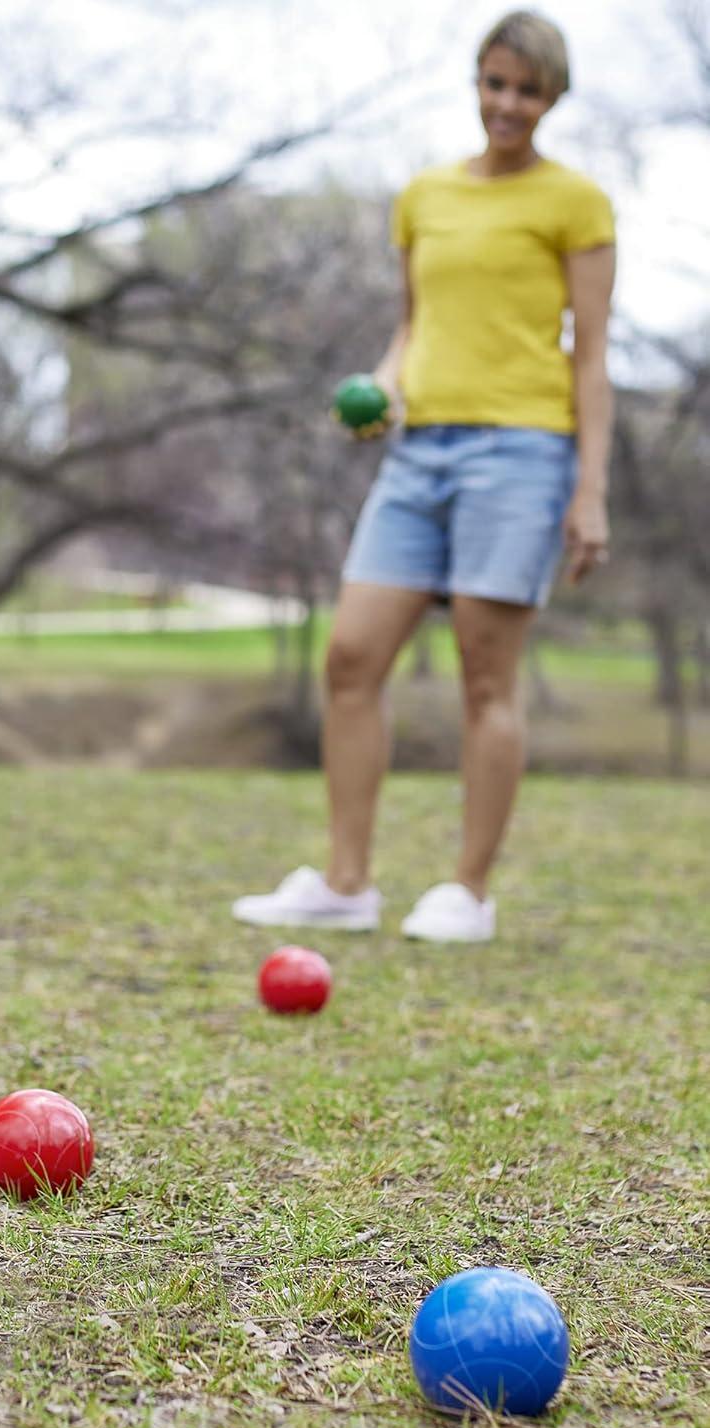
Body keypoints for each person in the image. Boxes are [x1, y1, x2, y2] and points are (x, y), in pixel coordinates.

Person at [234, 11, 615, 943]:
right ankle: (347, 882)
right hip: (420, 451)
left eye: (528, 89)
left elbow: (592, 355)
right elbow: (413, 326)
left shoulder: (577, 203)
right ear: (476, 83)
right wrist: (385, 389)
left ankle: (468, 893)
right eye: (496, 83)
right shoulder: (424, 197)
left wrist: (590, 490)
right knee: (352, 655)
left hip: (522, 451)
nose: (508, 104)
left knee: (489, 678)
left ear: (552, 98)